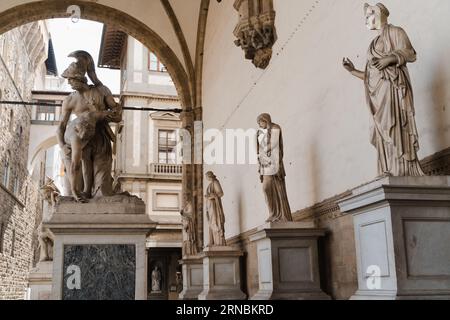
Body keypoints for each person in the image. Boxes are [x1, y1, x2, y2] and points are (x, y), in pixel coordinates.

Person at [343, 3, 425, 177]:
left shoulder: (395, 32)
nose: (366, 20)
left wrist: (391, 59)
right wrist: (352, 71)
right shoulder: (373, 43)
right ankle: (388, 167)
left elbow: (411, 53)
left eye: (368, 16)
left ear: (378, 14)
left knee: (394, 126)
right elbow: (371, 76)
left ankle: (402, 169)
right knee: (381, 131)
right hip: (377, 96)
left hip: (393, 89)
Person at [57, 51, 122, 202]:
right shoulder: (70, 100)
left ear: (80, 79)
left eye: (71, 79)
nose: (69, 83)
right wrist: (62, 145)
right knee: (83, 166)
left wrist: (116, 113)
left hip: (100, 135)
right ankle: (83, 193)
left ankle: (101, 195)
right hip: (81, 136)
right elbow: (61, 126)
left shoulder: (102, 90)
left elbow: (116, 111)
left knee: (102, 176)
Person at [257, 113, 293, 223]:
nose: (259, 125)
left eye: (260, 122)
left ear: (265, 120)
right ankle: (273, 213)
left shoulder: (275, 128)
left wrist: (263, 151)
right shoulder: (262, 133)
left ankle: (283, 215)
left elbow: (274, 143)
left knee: (278, 188)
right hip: (266, 164)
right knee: (266, 188)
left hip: (274, 163)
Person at [205, 172, 226, 247]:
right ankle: (214, 241)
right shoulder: (210, 184)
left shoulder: (215, 182)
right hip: (210, 207)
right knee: (212, 222)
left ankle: (219, 242)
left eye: (206, 176)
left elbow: (220, 193)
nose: (206, 178)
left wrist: (212, 196)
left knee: (216, 222)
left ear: (209, 176)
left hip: (215, 207)